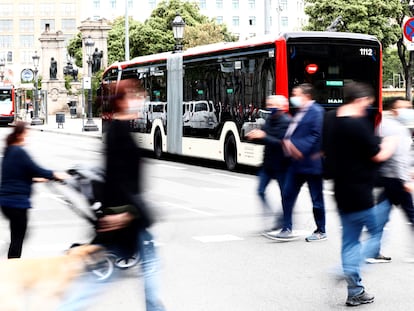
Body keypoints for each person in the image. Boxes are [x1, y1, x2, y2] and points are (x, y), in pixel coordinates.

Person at [323, 82, 396, 306]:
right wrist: (391, 144)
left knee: (350, 241)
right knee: (376, 236)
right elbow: (377, 155)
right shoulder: (357, 124)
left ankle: (355, 291)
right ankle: (349, 269)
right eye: (367, 104)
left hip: (340, 189)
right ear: (360, 100)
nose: (367, 108)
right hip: (360, 190)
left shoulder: (330, 118)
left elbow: (323, 149)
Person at [264, 83, 326, 242]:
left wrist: (298, 148)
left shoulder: (316, 111)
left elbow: (315, 135)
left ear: (306, 95)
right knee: (287, 194)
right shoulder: (300, 112)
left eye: (296, 94)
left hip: (310, 162)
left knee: (316, 198)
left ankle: (321, 230)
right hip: (295, 163)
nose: (293, 97)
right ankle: (286, 227)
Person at [0, 122, 66, 258]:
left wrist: (36, 180)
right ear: (19, 135)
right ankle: (13, 267)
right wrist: (54, 175)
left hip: (7, 203)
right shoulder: (19, 151)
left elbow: (16, 174)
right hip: (16, 203)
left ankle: (12, 262)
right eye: (25, 135)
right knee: (18, 238)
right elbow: (35, 169)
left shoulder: (9, 151)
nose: (26, 138)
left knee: (17, 236)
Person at [366, 97, 414, 263]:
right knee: (411, 215)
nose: (407, 110)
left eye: (409, 107)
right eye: (403, 107)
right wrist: (405, 180)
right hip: (395, 179)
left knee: (381, 216)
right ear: (394, 110)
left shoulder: (395, 126)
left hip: (389, 179)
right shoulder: (395, 128)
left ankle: (373, 251)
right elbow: (397, 157)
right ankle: (371, 251)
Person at [246, 95, 291, 232]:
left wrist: (264, 136)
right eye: (269, 104)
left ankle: (284, 220)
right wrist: (254, 137)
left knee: (285, 195)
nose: (270, 107)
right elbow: (265, 139)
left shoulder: (286, 122)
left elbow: (281, 144)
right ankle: (273, 216)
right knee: (260, 191)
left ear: (281, 107)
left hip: (282, 165)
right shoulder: (270, 120)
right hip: (268, 164)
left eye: (272, 105)